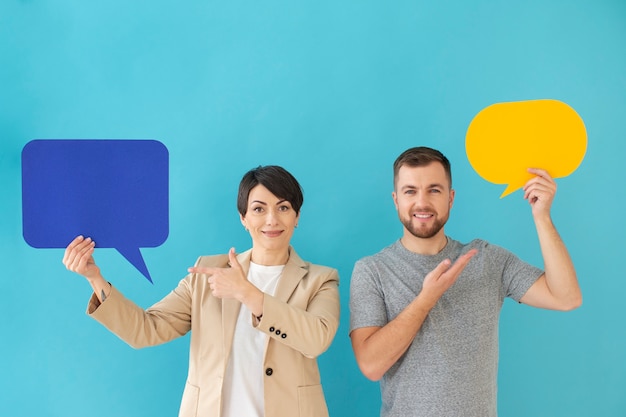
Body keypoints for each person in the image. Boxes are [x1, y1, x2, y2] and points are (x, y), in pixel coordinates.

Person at [63, 165, 340, 417]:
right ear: (243, 218)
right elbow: (146, 329)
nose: (271, 219)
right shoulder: (207, 272)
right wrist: (94, 278)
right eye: (258, 209)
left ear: (297, 217)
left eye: (283, 208)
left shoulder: (320, 279)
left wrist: (248, 294)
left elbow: (316, 340)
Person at [349, 146, 581, 417]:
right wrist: (427, 298)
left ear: (451, 198)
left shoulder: (486, 258)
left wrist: (542, 217)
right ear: (396, 200)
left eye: (434, 190)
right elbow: (371, 365)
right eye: (410, 191)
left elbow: (566, 297)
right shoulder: (372, 270)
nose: (422, 202)